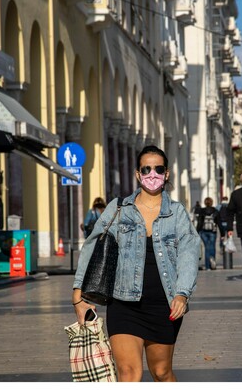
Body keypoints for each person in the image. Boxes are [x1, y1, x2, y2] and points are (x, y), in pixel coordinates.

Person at [71, 145, 201, 382]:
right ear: (137, 174)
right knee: (129, 374)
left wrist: (182, 294)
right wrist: (78, 297)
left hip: (165, 304)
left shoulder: (177, 213)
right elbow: (92, 247)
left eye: (158, 169)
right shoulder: (119, 208)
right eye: (146, 169)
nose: (152, 174)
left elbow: (189, 254)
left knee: (161, 372)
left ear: (167, 173)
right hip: (124, 303)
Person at [196, 197, 221, 270]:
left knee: (207, 247)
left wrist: (197, 232)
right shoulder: (215, 211)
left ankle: (207, 266)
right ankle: (212, 262)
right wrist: (222, 234)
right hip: (213, 231)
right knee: (212, 247)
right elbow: (219, 222)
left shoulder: (202, 211)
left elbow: (200, 222)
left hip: (203, 232)